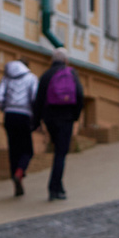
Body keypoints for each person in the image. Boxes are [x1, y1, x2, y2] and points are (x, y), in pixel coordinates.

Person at [37, 51, 83, 202]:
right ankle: (54, 188)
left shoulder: (46, 75)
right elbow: (80, 94)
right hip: (66, 118)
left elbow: (39, 99)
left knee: (58, 151)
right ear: (66, 60)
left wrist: (39, 120)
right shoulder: (71, 73)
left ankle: (59, 185)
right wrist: (75, 116)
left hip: (50, 119)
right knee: (61, 154)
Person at [0, 58, 39, 197]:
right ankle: (19, 173)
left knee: (13, 150)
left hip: (9, 116)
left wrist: (5, 108)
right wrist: (33, 115)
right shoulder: (31, 78)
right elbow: (35, 98)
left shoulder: (6, 78)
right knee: (27, 150)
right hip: (24, 116)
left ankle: (16, 182)